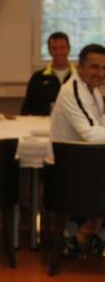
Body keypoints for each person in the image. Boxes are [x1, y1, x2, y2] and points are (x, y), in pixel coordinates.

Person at [50, 43, 105, 257]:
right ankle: (93, 237)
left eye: (104, 68)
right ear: (80, 67)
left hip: (83, 167)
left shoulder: (94, 92)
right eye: (94, 67)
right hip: (66, 174)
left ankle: (82, 234)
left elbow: (99, 127)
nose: (100, 73)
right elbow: (90, 134)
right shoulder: (72, 90)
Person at [21, 31, 76, 116]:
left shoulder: (79, 76)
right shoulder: (38, 77)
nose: (59, 52)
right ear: (49, 51)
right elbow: (26, 108)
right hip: (42, 122)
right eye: (54, 48)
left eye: (62, 48)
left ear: (69, 49)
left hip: (72, 122)